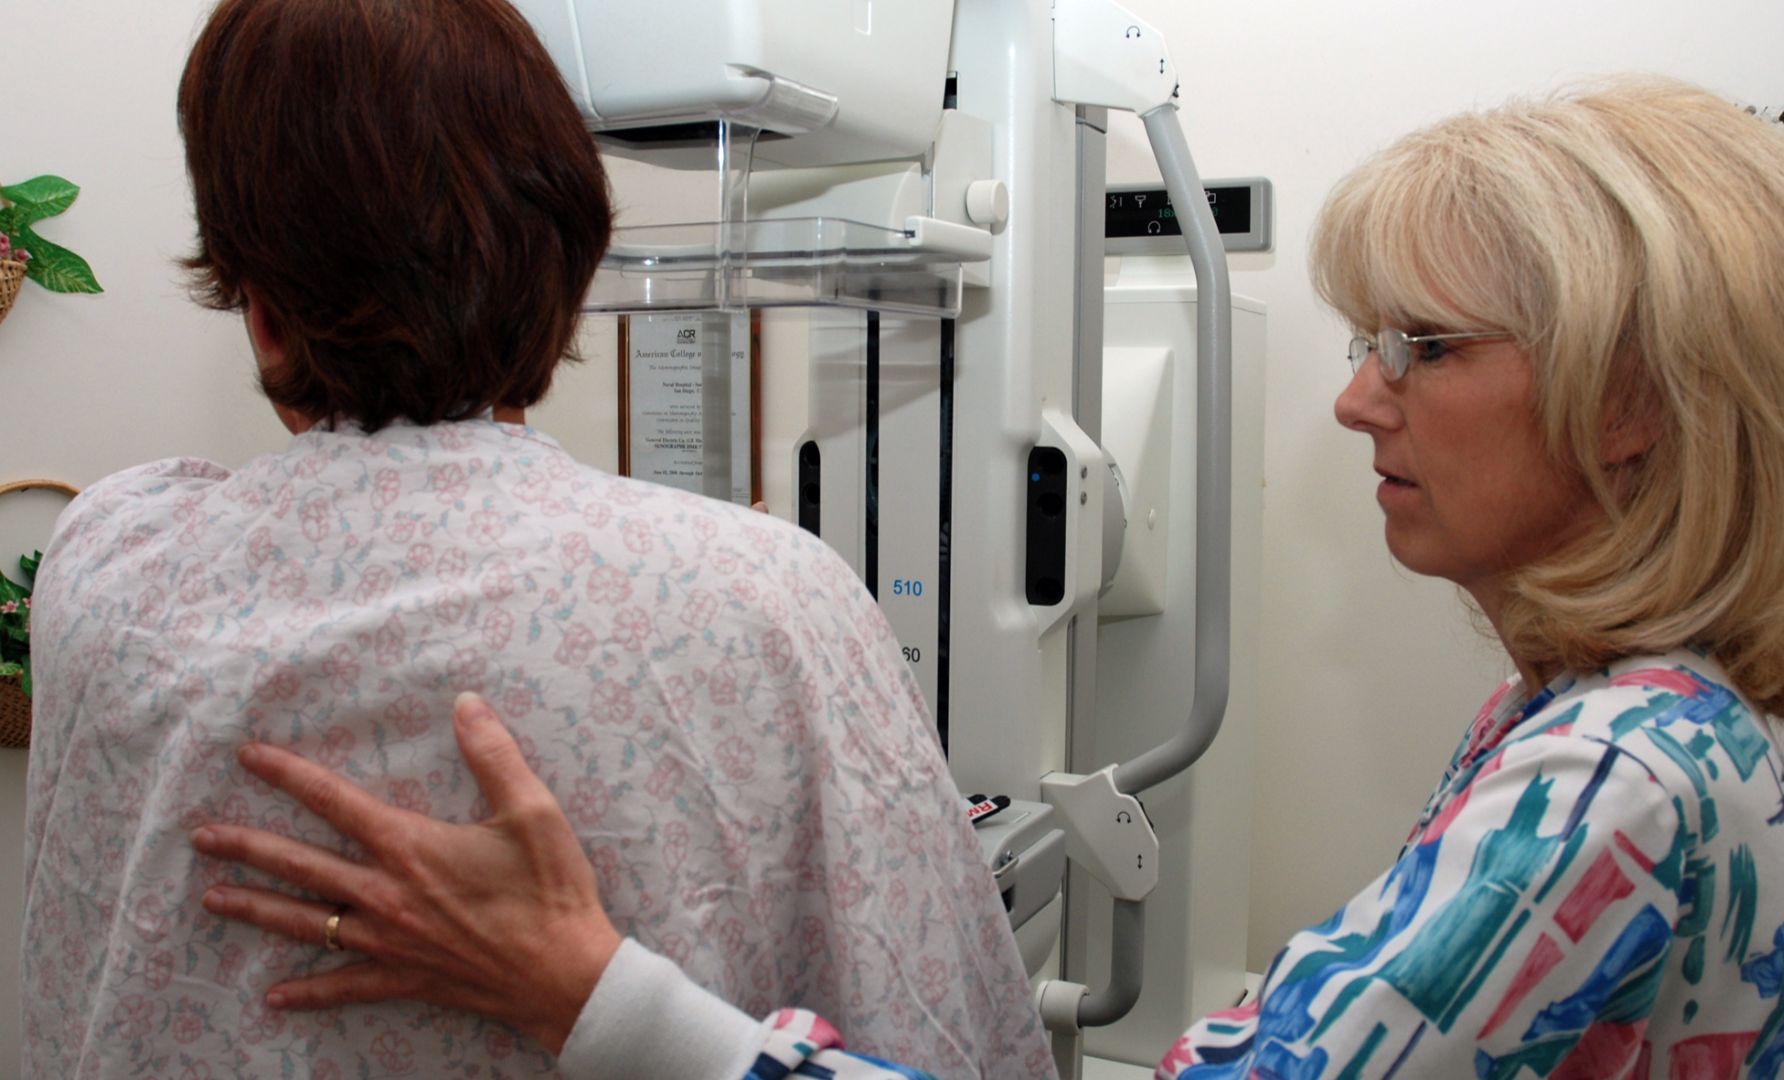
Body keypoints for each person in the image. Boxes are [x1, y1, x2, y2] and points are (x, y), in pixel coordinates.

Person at [190, 76, 1784, 1077]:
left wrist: (598, 998)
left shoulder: (1608, 786)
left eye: (1421, 345)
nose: (1357, 393)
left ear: (1639, 402)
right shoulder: (1601, 719)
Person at [21, 0, 1049, 1076]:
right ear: (566, 273)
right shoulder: (768, 600)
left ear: (266, 316)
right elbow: (952, 1033)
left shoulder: (108, 566)